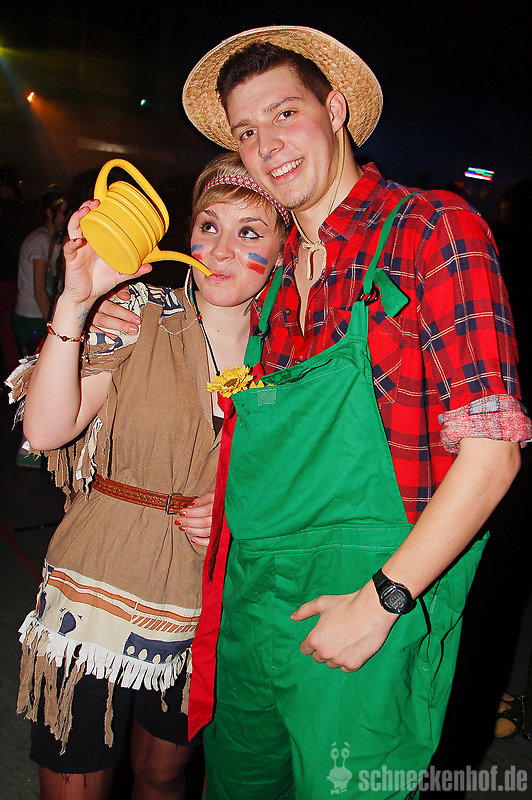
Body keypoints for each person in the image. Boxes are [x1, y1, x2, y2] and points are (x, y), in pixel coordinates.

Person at [95, 26, 532, 799]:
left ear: (334, 110)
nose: (266, 145)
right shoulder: (269, 283)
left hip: (367, 600)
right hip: (251, 611)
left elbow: (494, 452)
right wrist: (102, 309)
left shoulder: (431, 230)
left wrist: (385, 598)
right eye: (246, 131)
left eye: (284, 114)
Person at [7, 152, 288, 800]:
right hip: (98, 589)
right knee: (76, 782)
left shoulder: (290, 356)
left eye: (249, 232)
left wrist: (237, 512)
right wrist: (76, 303)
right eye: (209, 225)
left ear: (282, 251)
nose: (222, 249)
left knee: (163, 775)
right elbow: (45, 431)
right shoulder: (138, 311)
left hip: (205, 608)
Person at [13, 185, 65, 354]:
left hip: (34, 315)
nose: (66, 217)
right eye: (63, 212)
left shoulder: (46, 238)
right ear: (50, 213)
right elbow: (39, 291)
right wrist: (53, 326)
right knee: (33, 363)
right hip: (32, 316)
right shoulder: (41, 240)